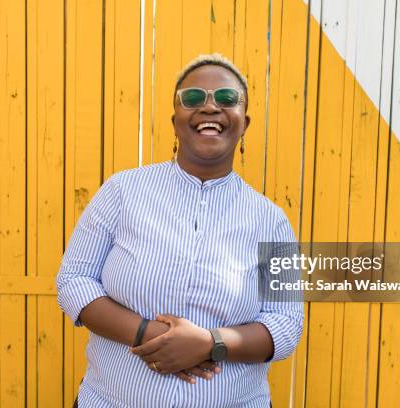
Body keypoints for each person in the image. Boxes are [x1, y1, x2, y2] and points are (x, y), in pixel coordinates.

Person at [56, 53, 304, 408]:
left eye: (226, 99)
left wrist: (211, 343)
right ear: (175, 121)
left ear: (244, 122)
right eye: (192, 98)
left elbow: (286, 324)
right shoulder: (122, 192)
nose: (210, 107)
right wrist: (148, 334)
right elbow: (74, 280)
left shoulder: (272, 220)